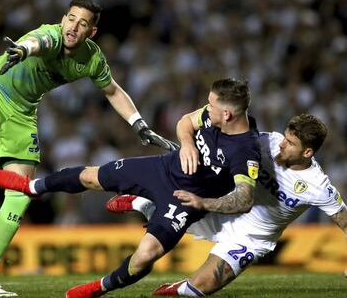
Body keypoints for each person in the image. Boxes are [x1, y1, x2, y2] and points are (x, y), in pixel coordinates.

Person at [0, 0, 176, 297]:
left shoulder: (91, 58)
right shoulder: (51, 33)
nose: (74, 26)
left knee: (21, 194)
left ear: (92, 31)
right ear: (63, 18)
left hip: (21, 115)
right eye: (71, 18)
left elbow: (112, 90)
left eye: (83, 23)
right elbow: (37, 43)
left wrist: (139, 124)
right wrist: (23, 49)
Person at [0, 78, 261, 297]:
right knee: (91, 176)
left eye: (211, 105)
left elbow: (244, 198)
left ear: (227, 114)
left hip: (184, 199)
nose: (207, 107)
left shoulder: (245, 150)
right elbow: (185, 122)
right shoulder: (214, 115)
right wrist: (187, 143)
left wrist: (203, 204)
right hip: (162, 168)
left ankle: (101, 287)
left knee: (145, 256)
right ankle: (32, 187)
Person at [107, 113, 347, 297]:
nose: (283, 144)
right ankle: (145, 203)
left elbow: (345, 222)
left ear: (307, 152)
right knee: (179, 199)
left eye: (291, 143)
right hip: (223, 207)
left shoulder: (318, 186)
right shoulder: (267, 142)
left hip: (252, 237)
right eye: (285, 137)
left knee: (201, 287)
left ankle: (180, 288)